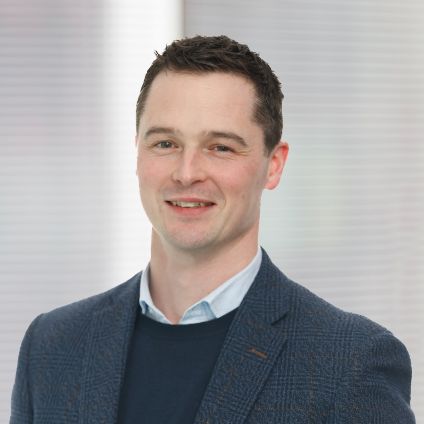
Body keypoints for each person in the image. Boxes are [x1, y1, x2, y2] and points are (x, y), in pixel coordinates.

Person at [10, 35, 415, 424]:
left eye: (220, 147)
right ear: (137, 153)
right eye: (165, 143)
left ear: (273, 165)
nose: (187, 173)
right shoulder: (52, 347)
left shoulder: (350, 364)